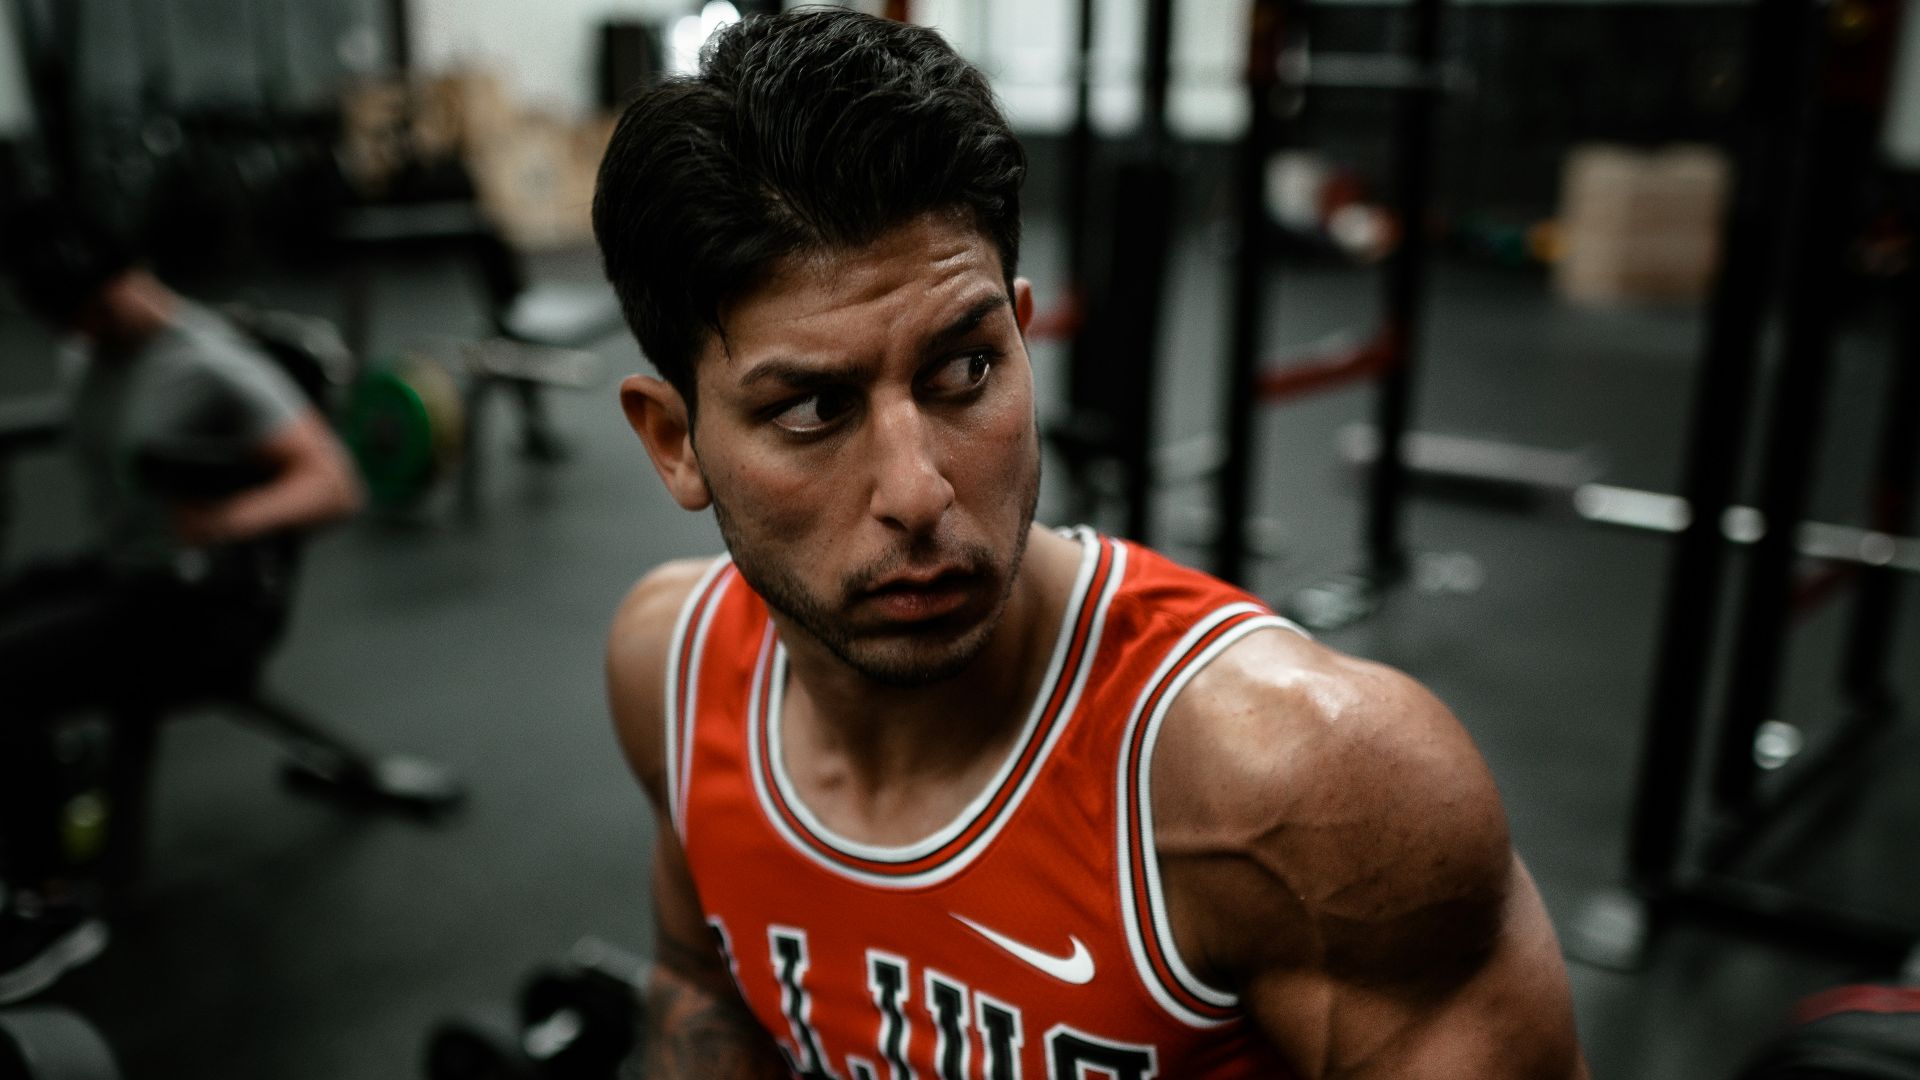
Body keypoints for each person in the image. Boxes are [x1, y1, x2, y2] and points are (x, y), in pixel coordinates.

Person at [595, 11, 1589, 1078]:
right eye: (810, 410)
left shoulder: (1305, 787)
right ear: (674, 442)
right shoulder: (673, 671)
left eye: (965, 369)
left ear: (1021, 334)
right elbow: (703, 993)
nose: (919, 490)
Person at [0, 200, 364, 1002]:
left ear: (118, 288)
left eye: (89, 316)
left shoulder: (209, 364)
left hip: (200, 607)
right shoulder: (87, 348)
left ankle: (50, 903)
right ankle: (42, 797)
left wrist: (227, 520)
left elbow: (336, 482)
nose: (79, 337)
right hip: (128, 572)